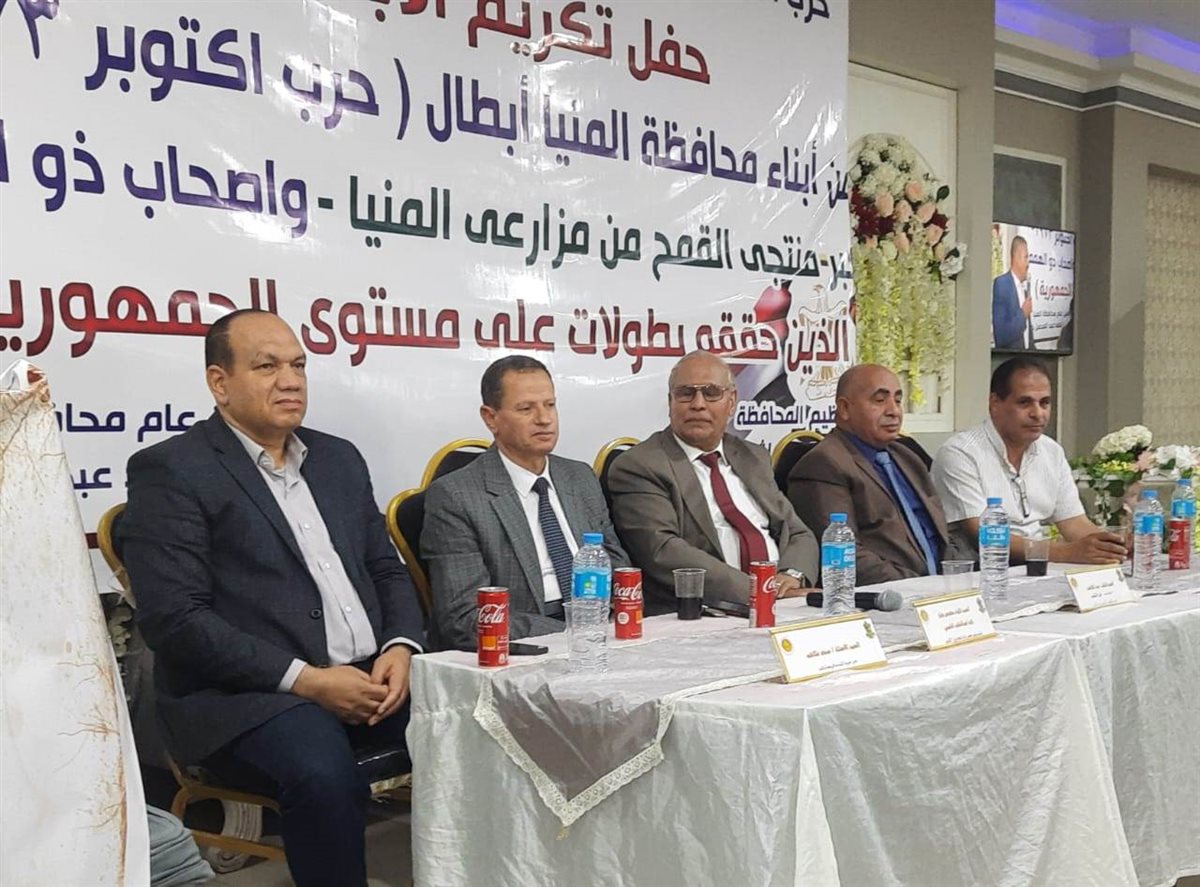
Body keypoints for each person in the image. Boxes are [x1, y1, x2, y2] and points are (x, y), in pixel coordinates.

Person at [120, 309, 424, 887]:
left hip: (370, 676)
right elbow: (175, 619)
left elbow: (386, 568)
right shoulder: (172, 470)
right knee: (322, 771)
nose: (290, 381)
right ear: (219, 383)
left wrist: (401, 647)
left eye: (298, 365)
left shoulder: (338, 458)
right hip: (249, 698)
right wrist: (308, 681)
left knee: (480, 719)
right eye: (267, 367)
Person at [422, 355, 628, 650]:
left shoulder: (579, 477)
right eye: (526, 409)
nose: (544, 419)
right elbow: (466, 618)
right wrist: (574, 630)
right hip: (528, 642)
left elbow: (617, 568)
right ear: (490, 418)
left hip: (601, 631)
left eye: (550, 405)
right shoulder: (456, 496)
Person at [608, 351, 819, 615]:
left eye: (711, 393)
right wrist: (759, 591)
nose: (698, 404)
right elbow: (662, 550)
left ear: (732, 402)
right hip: (705, 609)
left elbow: (797, 532)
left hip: (783, 601)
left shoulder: (753, 457)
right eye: (686, 393)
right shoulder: (641, 465)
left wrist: (792, 574)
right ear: (671, 402)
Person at [932, 357, 1126, 564]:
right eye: (1025, 403)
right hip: (982, 570)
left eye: (1045, 403)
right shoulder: (960, 453)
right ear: (994, 403)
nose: (1038, 414)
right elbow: (983, 534)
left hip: (1039, 568)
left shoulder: (1051, 451)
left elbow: (1074, 523)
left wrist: (1112, 546)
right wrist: (1065, 553)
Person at [787, 364, 947, 584]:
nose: (894, 411)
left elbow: (943, 532)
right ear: (844, 408)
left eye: (898, 400)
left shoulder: (907, 456)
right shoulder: (823, 464)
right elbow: (845, 556)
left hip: (942, 587)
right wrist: (919, 586)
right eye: (880, 400)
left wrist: (957, 574)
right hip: (891, 593)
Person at [992, 234, 1033, 350]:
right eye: (1026, 257)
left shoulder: (1025, 290)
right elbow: (1001, 336)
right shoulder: (1002, 284)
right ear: (1016, 257)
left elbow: (1028, 335)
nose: (1028, 264)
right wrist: (1023, 314)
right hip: (1011, 359)